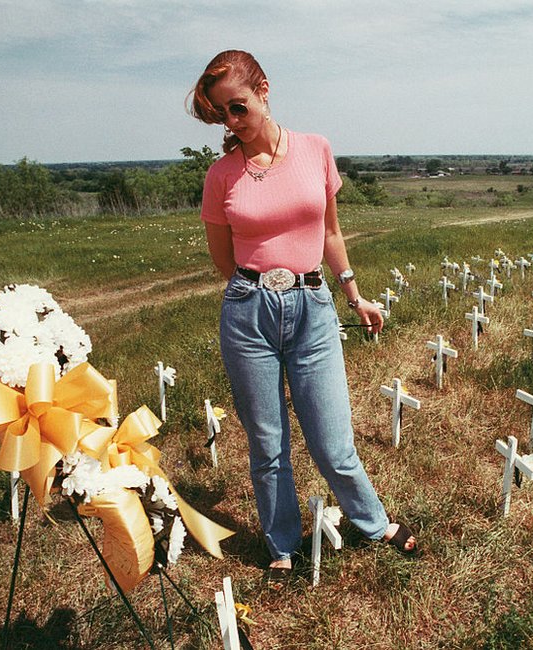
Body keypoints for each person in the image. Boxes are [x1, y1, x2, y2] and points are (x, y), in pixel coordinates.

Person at [188, 50, 417, 582]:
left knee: (333, 442)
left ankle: (373, 521)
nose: (232, 122)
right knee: (268, 443)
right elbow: (224, 260)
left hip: (314, 308)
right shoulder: (222, 176)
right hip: (250, 314)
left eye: (239, 107)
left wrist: (355, 295)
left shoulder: (316, 150)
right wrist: (260, 289)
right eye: (223, 114)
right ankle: (283, 544)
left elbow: (331, 233)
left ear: (264, 90)